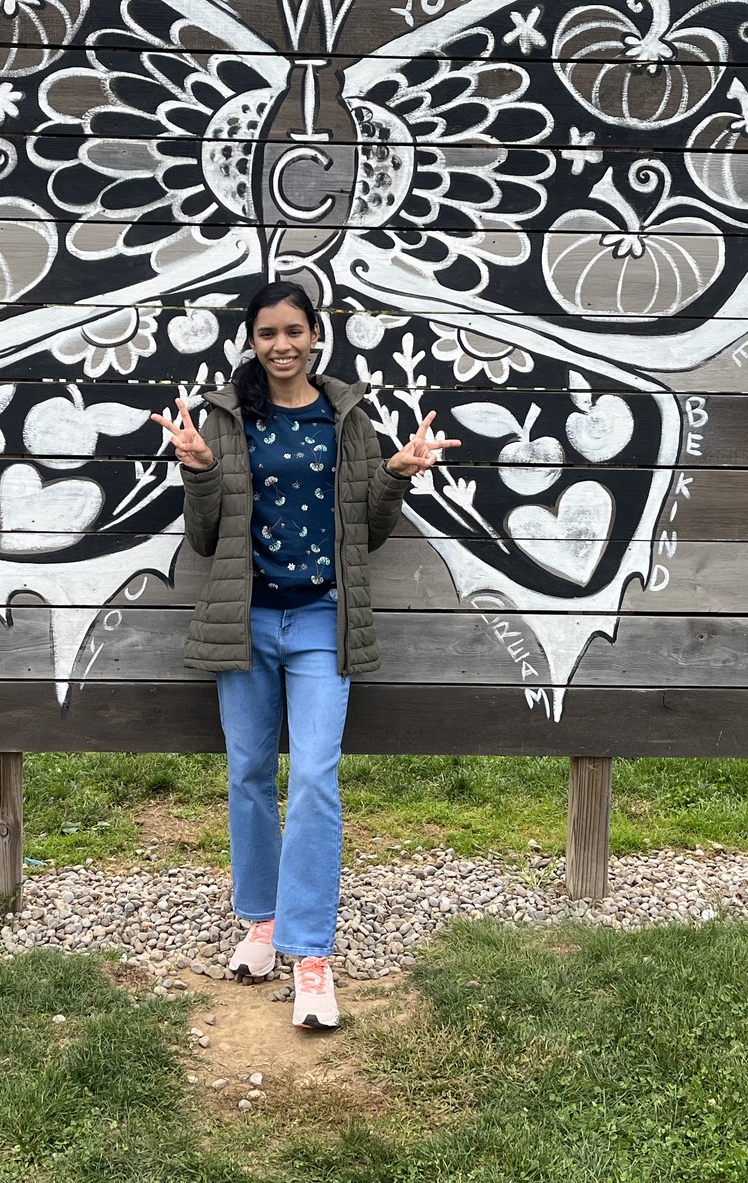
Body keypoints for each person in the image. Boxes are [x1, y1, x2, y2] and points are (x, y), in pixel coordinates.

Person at [152, 280, 457, 1028]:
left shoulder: (346, 417)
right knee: (250, 772)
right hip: (246, 619)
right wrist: (196, 467)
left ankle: (311, 955)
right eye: (266, 334)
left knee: (315, 776)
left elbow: (368, 530)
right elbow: (204, 534)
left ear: (316, 335)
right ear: (250, 341)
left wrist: (395, 476)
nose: (281, 345)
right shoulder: (227, 418)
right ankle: (261, 921)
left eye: (294, 331)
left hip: (322, 617)